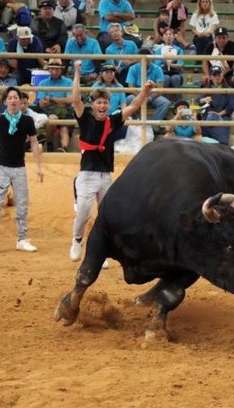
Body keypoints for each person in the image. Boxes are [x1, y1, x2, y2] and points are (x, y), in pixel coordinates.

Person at [69, 60, 155, 263]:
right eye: (98, 103)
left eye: (105, 103)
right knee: (83, 213)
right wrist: (77, 72)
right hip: (87, 174)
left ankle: (101, 250)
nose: (102, 106)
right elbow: (75, 99)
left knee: (106, 216)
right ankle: (77, 239)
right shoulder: (85, 118)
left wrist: (145, 90)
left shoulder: (112, 120)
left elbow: (134, 106)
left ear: (109, 105)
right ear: (93, 105)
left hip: (105, 175)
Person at [0, 87, 43, 253]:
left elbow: (34, 142)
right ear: (5, 102)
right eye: (10, 98)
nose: (13, 100)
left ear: (21, 101)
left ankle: (22, 239)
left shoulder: (27, 121)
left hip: (19, 167)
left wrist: (38, 166)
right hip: (0, 166)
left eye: (16, 97)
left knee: (22, 204)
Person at [125, 49, 171, 126]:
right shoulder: (132, 68)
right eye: (142, 58)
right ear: (138, 59)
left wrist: (149, 98)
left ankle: (152, 126)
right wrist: (141, 96)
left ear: (151, 59)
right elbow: (131, 88)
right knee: (129, 99)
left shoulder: (157, 68)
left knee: (165, 103)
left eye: (148, 59)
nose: (145, 61)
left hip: (152, 94)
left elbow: (160, 89)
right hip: (138, 94)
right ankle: (134, 124)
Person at [37, 58, 74, 152]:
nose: (54, 71)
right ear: (48, 69)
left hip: (66, 111)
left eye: (57, 69)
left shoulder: (69, 82)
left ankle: (64, 149)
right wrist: (61, 100)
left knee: (64, 128)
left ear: (61, 69)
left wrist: (51, 99)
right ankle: (49, 144)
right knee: (52, 119)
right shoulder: (42, 83)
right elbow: (41, 104)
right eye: (52, 69)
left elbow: (69, 100)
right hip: (50, 111)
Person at [197, 65, 234, 145]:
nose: (217, 77)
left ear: (222, 76)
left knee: (221, 142)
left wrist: (218, 114)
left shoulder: (230, 90)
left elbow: (230, 108)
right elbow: (198, 100)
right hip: (207, 117)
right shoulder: (206, 90)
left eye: (219, 75)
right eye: (214, 75)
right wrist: (204, 99)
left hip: (222, 117)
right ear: (211, 77)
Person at [154, 27, 184, 101]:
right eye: (166, 34)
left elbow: (180, 65)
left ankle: (179, 101)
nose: (168, 36)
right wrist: (169, 62)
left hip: (176, 73)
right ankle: (165, 100)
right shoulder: (158, 50)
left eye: (170, 34)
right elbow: (157, 65)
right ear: (163, 37)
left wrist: (168, 64)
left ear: (173, 37)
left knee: (175, 78)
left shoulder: (179, 50)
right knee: (166, 78)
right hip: (163, 73)